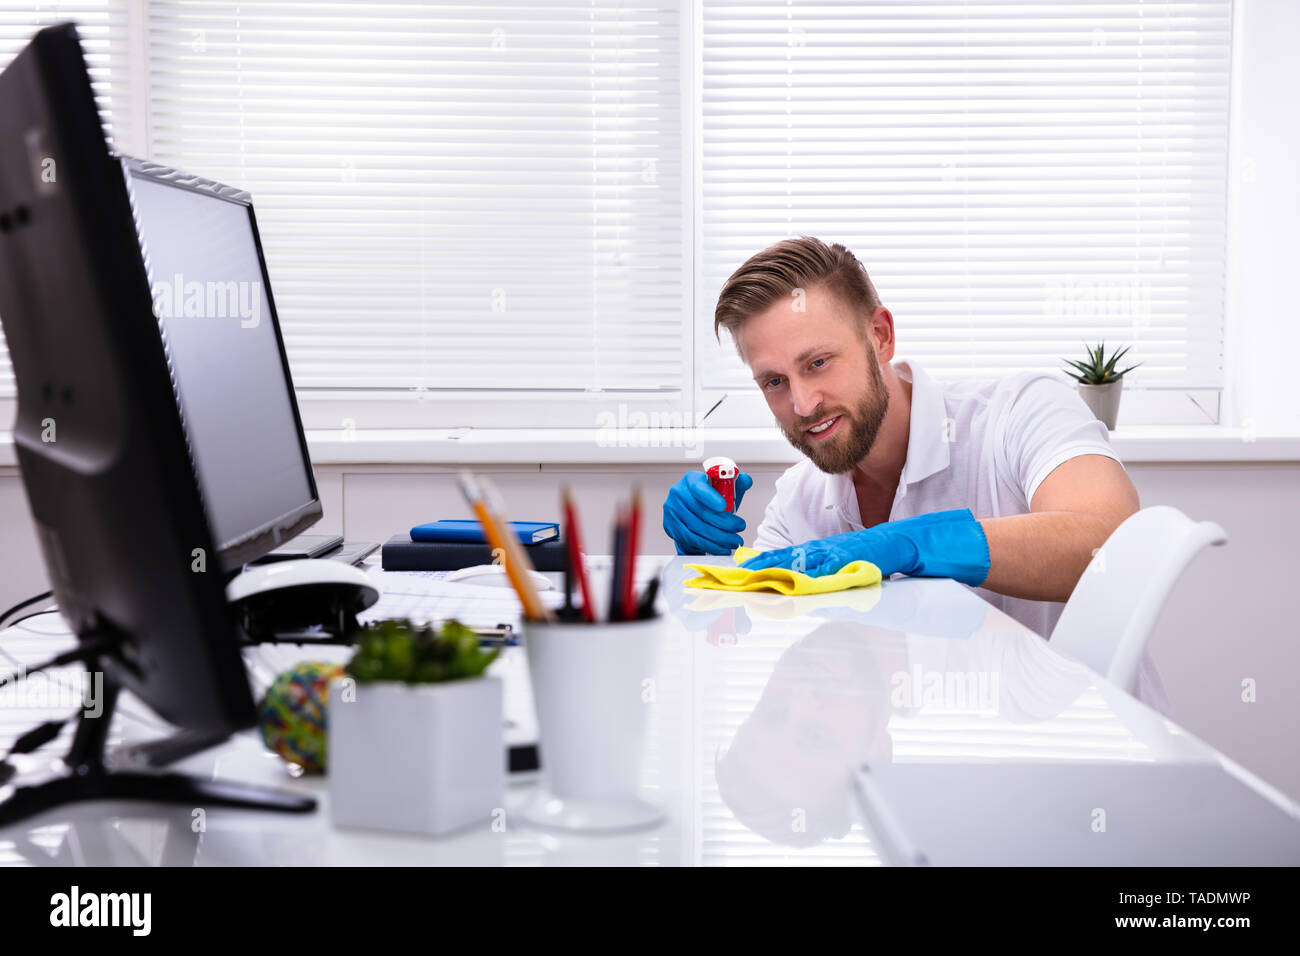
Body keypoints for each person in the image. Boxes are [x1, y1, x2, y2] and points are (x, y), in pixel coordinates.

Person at [663, 236, 1168, 708]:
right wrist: (703, 565)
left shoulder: (1018, 412)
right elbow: (761, 634)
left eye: (817, 362)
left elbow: (1113, 547)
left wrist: (914, 544)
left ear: (880, 336)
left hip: (1091, 752)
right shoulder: (799, 502)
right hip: (940, 771)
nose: (802, 403)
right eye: (774, 381)